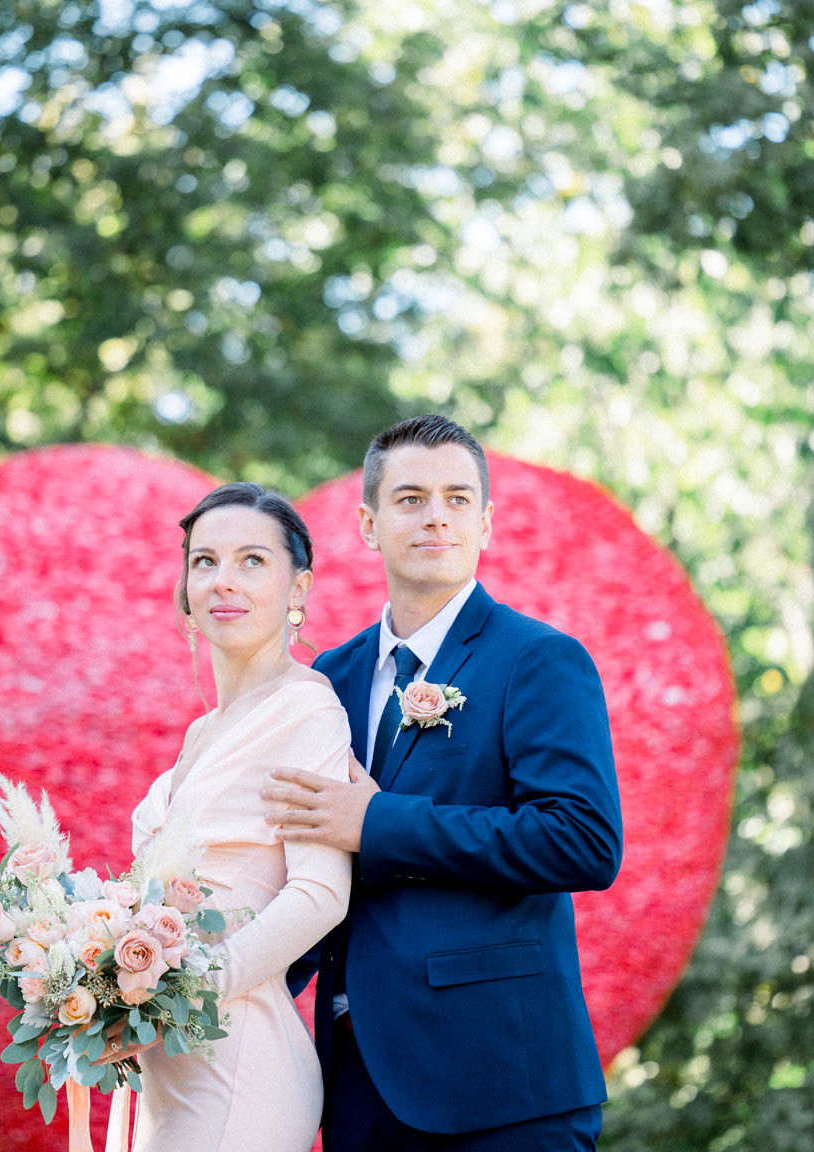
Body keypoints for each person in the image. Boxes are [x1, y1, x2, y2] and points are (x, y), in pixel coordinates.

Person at [265, 414, 623, 1152]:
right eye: (410, 498)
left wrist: (380, 823)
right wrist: (191, 995)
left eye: (458, 499)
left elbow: (583, 841)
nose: (436, 517)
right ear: (368, 523)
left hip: (503, 1085)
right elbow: (306, 858)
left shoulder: (538, 660)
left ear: (486, 522)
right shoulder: (327, 678)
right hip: (356, 1085)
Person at [103, 483, 352, 1152]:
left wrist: (187, 991)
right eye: (205, 561)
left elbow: (321, 892)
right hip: (166, 1076)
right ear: (185, 587)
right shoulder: (198, 735)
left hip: (241, 1067)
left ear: (297, 587)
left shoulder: (308, 710)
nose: (223, 581)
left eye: (252, 561)